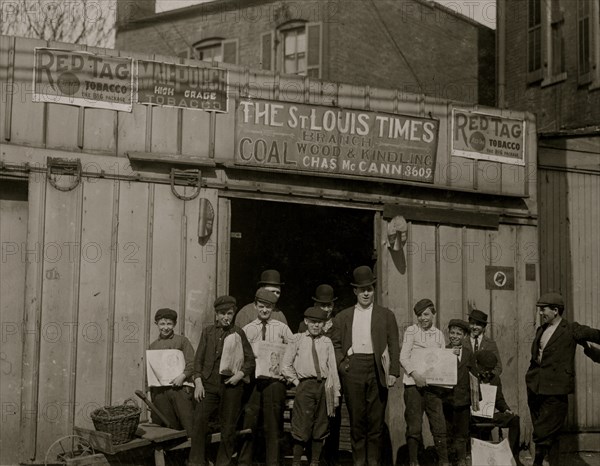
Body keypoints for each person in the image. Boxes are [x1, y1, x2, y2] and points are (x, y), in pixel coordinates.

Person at [331, 265, 400, 466]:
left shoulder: (386, 315)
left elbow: (394, 343)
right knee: (357, 422)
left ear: (374, 289)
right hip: (353, 369)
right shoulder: (343, 316)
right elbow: (334, 344)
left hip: (377, 368)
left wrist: (393, 371)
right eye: (362, 290)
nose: (366, 293)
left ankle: (373, 462)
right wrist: (343, 364)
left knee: (376, 422)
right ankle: (359, 462)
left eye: (369, 288)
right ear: (355, 291)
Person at [526, 292, 600, 466]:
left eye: (543, 310)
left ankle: (537, 462)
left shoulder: (571, 329)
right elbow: (536, 358)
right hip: (535, 387)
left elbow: (596, 335)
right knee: (550, 432)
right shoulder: (541, 330)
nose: (541, 313)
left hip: (556, 389)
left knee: (545, 431)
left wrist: (591, 350)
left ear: (556, 310)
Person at [188, 296, 255, 466]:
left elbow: (250, 361)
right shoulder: (207, 332)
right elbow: (198, 361)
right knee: (199, 421)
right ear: (216, 314)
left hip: (231, 387)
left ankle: (222, 463)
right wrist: (198, 382)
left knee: (228, 427)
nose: (226, 317)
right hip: (208, 386)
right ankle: (196, 462)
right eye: (222, 313)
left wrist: (239, 375)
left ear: (233, 314)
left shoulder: (238, 333)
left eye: (229, 313)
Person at [238, 289, 295, 466]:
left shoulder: (282, 328)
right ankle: (245, 461)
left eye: (268, 307)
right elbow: (239, 354)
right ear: (255, 306)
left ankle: (273, 461)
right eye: (261, 306)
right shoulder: (247, 329)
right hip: (253, 382)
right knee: (250, 420)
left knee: (273, 422)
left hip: (274, 381)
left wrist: (287, 372)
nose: (264, 310)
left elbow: (294, 349)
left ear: (273, 308)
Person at [282, 306, 341, 466]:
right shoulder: (297, 339)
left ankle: (314, 462)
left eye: (320, 323)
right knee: (302, 425)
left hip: (323, 386)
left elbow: (333, 368)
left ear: (324, 324)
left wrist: (336, 392)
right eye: (313, 322)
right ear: (306, 321)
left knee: (321, 425)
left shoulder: (326, 341)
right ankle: (296, 462)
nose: (316, 326)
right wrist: (296, 382)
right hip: (305, 386)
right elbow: (285, 365)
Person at [400, 298, 449, 466]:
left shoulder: (439, 335)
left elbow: (441, 360)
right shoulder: (411, 332)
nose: (423, 318)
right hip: (413, 386)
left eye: (426, 314)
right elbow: (403, 357)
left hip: (433, 388)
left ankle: (443, 461)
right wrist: (415, 375)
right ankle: (413, 461)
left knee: (439, 425)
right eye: (419, 315)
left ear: (433, 314)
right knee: (414, 426)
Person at [148, 308, 195, 435]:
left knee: (188, 422)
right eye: (162, 324)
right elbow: (151, 371)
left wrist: (182, 376)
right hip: (161, 391)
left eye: (169, 324)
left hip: (180, 389)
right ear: (156, 324)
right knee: (168, 425)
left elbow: (192, 363)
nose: (166, 327)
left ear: (174, 324)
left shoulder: (182, 341)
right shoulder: (153, 346)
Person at [473, 350, 523, 466]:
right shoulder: (471, 377)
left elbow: (499, 399)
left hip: (489, 414)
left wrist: (506, 409)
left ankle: (513, 457)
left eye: (490, 369)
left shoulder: (495, 379)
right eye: (484, 369)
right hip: (473, 415)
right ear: (477, 365)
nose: (487, 372)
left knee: (514, 419)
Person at [442, 319, 474, 466]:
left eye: (458, 333)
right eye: (452, 332)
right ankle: (449, 460)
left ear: (465, 336)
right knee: (448, 432)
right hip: (447, 401)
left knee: (462, 434)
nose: (454, 336)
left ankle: (461, 460)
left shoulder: (468, 353)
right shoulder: (443, 351)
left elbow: (474, 374)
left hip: (464, 402)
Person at [466, 309, 502, 376]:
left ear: (484, 326)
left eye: (478, 324)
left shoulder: (490, 343)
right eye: (472, 323)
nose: (474, 327)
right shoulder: (463, 342)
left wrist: (486, 378)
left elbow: (498, 368)